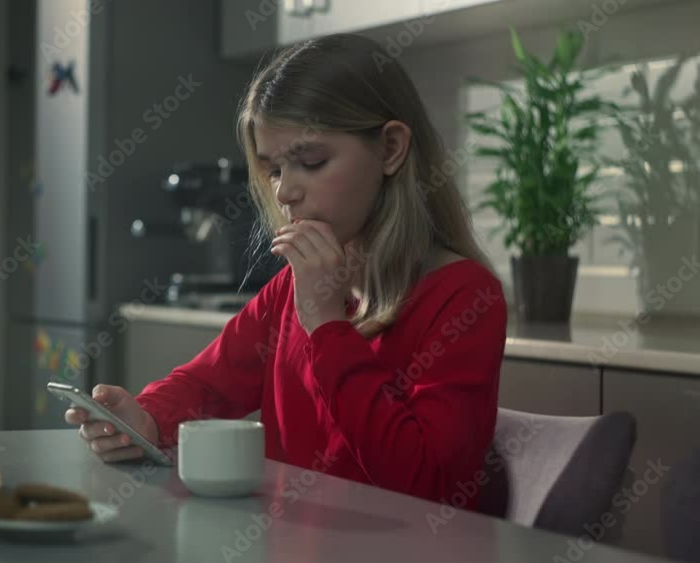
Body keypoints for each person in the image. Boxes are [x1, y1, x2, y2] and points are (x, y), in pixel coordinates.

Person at [64, 33, 508, 510]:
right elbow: (207, 384)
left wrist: (327, 324)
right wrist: (146, 417)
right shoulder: (289, 289)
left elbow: (424, 485)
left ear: (391, 149)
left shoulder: (464, 296)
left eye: (310, 162)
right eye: (274, 170)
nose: (284, 194)